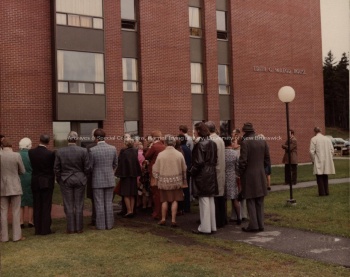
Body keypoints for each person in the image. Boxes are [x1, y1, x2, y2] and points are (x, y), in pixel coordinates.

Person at [54, 131, 90, 234]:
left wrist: (59, 179)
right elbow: (87, 167)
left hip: (66, 179)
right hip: (80, 178)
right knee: (79, 204)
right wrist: (84, 177)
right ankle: (79, 228)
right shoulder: (83, 151)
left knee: (68, 204)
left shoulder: (60, 151)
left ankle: (70, 228)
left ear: (67, 139)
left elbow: (56, 168)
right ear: (76, 139)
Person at [238, 123, 270, 233]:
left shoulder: (245, 142)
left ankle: (254, 225)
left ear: (245, 132)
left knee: (250, 200)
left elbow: (243, 161)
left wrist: (240, 173)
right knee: (260, 200)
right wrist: (262, 169)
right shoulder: (262, 140)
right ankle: (260, 224)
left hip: (249, 175)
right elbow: (267, 159)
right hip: (260, 174)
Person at [153, 135, 187, 227]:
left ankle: (163, 219)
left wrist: (156, 180)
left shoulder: (161, 154)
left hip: (164, 181)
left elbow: (155, 169)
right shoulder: (179, 154)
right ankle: (173, 220)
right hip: (176, 181)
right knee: (175, 200)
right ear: (174, 143)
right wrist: (184, 181)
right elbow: (184, 168)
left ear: (165, 143)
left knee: (164, 200)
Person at [190, 122, 218, 235]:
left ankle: (205, 227)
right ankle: (212, 226)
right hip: (211, 172)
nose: (194, 133)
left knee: (204, 201)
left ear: (199, 131)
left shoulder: (200, 144)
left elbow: (198, 162)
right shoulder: (212, 143)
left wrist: (191, 172)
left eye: (195, 130)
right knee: (210, 200)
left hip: (203, 174)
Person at [89, 128, 118, 230]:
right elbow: (115, 164)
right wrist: (111, 172)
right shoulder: (113, 148)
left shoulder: (92, 150)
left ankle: (101, 225)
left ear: (96, 138)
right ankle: (109, 225)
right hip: (110, 179)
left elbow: (90, 167)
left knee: (99, 203)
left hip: (97, 179)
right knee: (108, 203)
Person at [28, 134, 56, 235]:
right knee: (46, 205)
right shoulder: (50, 154)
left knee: (37, 205)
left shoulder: (31, 152)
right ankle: (45, 229)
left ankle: (38, 229)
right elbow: (52, 168)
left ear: (39, 140)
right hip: (46, 181)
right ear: (48, 142)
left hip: (35, 181)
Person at [0, 139, 26, 242]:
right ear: (11, 145)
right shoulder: (16, 155)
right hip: (15, 185)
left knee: (3, 212)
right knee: (16, 212)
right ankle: (16, 236)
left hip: (2, 186)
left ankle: (4, 237)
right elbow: (23, 171)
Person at [205, 121, 226, 228]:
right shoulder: (219, 139)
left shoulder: (211, 141)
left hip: (215, 171)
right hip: (221, 170)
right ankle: (222, 219)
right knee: (221, 198)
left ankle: (217, 220)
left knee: (216, 198)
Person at [115, 138, 142, 218]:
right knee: (132, 194)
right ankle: (132, 210)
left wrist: (118, 173)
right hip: (133, 175)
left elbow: (121, 163)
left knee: (126, 194)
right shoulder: (135, 151)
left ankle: (129, 210)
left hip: (125, 175)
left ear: (126, 144)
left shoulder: (124, 153)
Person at [144, 130, 165, 220]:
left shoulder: (154, 146)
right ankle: (163, 211)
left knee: (155, 193)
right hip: (163, 170)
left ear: (153, 138)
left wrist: (150, 147)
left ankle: (157, 212)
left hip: (154, 171)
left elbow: (147, 156)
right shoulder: (163, 146)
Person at [309, 127, 335, 196]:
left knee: (319, 176)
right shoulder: (327, 139)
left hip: (318, 159)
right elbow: (332, 150)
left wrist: (314, 160)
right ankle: (326, 191)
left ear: (314, 132)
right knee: (325, 175)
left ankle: (322, 192)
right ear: (321, 131)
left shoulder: (314, 139)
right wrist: (329, 158)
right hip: (326, 160)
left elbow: (311, 151)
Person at [223, 137, 241, 225]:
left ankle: (225, 218)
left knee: (224, 199)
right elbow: (237, 166)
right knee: (235, 199)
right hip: (233, 176)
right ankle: (239, 217)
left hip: (224, 176)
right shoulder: (235, 153)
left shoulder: (221, 153)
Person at [18, 137, 34, 228]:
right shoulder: (31, 154)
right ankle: (30, 221)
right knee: (31, 201)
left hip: (20, 178)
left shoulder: (17, 154)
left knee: (21, 201)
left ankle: (21, 221)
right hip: (30, 178)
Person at [86, 128, 97, 226]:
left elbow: (87, 164)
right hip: (104, 177)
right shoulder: (110, 147)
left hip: (92, 177)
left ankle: (95, 218)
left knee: (94, 199)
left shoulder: (89, 148)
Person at [178, 134, 192, 213]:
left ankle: (182, 207)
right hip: (188, 170)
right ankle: (187, 206)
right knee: (187, 189)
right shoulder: (188, 148)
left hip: (183, 171)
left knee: (182, 190)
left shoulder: (181, 149)